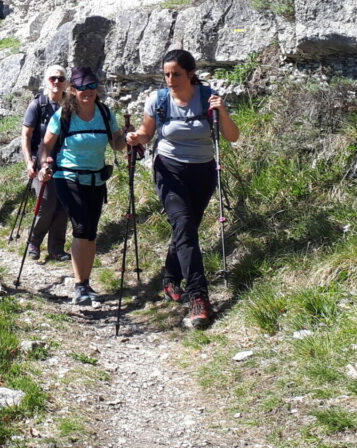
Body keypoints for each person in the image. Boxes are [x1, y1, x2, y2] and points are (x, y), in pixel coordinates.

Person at [125, 49, 239, 329]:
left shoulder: (208, 97)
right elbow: (147, 133)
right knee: (184, 225)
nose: (170, 79)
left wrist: (222, 110)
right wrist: (136, 137)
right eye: (166, 74)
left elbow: (232, 136)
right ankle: (198, 297)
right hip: (169, 170)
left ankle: (170, 279)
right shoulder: (159, 100)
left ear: (190, 74)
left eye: (176, 74)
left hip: (203, 171)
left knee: (186, 229)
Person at [37, 66, 125, 304]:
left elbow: (116, 144)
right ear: (73, 90)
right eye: (82, 87)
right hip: (67, 177)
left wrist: (127, 138)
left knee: (91, 232)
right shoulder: (64, 115)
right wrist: (44, 164)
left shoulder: (104, 113)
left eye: (92, 86)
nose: (88, 91)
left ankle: (86, 283)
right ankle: (79, 286)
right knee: (82, 227)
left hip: (96, 179)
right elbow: (46, 145)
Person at [21, 65, 69, 262]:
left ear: (66, 82)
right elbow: (26, 135)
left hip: (66, 161)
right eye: (52, 78)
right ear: (46, 81)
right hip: (41, 160)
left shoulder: (71, 105)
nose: (56, 82)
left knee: (63, 205)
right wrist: (29, 162)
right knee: (47, 203)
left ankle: (56, 248)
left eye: (61, 78)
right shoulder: (38, 105)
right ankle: (34, 242)